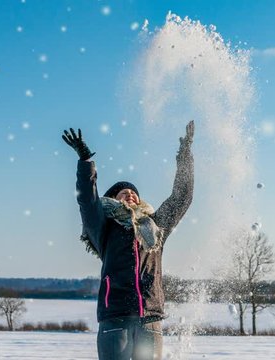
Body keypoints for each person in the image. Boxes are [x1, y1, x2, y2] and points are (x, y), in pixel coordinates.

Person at [61, 121, 194, 360]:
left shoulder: (155, 226)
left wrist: (185, 156)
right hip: (115, 318)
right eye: (124, 192)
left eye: (134, 192)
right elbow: (87, 202)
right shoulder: (104, 226)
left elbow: (181, 197)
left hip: (150, 318)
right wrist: (85, 162)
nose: (130, 194)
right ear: (113, 199)